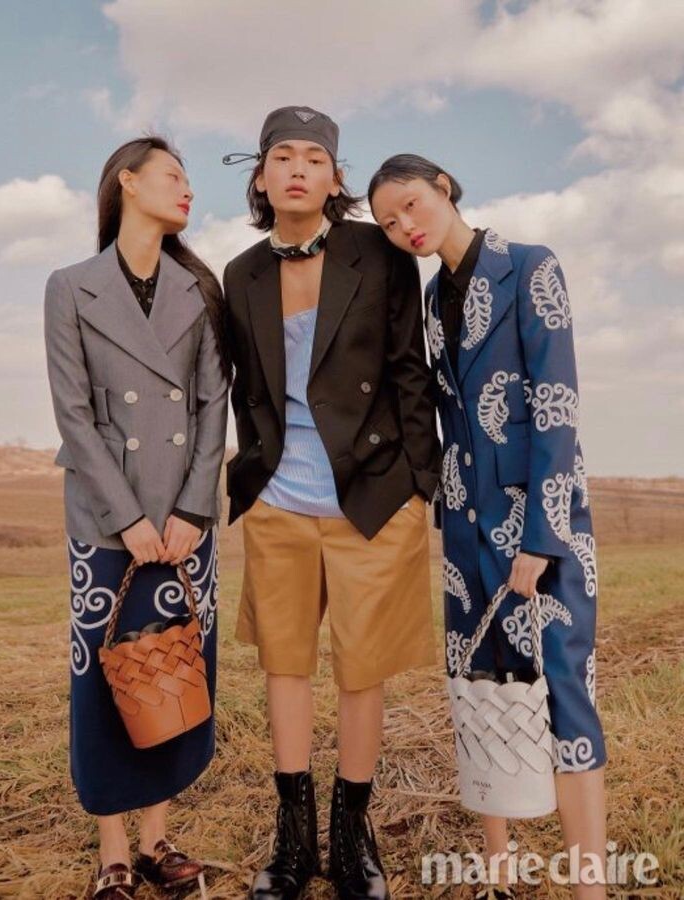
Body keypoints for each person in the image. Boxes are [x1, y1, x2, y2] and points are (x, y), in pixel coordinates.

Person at [369, 155, 607, 900]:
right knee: (481, 691)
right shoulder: (430, 298)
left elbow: (557, 407)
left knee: (563, 697)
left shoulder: (531, 267)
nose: (406, 227)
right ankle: (497, 870)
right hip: (466, 532)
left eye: (412, 205)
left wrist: (541, 537)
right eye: (388, 223)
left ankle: (590, 886)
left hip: (542, 528)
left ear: (444, 187)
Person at [222, 108, 442, 900]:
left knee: (361, 670)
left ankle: (352, 837)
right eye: (282, 156)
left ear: (335, 178)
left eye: (314, 158)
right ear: (260, 176)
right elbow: (247, 388)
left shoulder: (379, 253)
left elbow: (410, 372)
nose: (298, 169)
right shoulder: (241, 273)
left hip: (371, 498)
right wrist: (249, 477)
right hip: (279, 501)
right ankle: (292, 840)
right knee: (285, 667)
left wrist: (420, 485)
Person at [44, 135, 229, 899]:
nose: (188, 190)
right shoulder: (70, 286)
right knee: (106, 676)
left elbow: (214, 406)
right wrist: (127, 519)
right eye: (173, 176)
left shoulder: (199, 288)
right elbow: (73, 414)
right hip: (105, 520)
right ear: (128, 181)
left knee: (175, 669)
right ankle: (114, 850)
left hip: (185, 524)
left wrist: (192, 508)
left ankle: (157, 837)